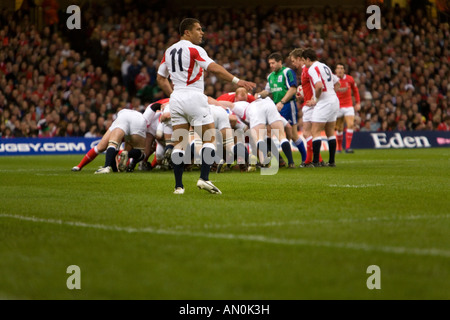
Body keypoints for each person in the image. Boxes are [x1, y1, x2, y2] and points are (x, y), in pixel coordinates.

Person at [156, 18, 255, 194]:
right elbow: (214, 68)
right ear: (187, 32)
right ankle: (204, 179)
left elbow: (160, 78)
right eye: (198, 29)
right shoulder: (195, 49)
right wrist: (237, 80)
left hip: (176, 98)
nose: (202, 33)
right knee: (209, 139)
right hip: (194, 96)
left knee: (179, 144)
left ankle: (178, 186)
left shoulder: (169, 51)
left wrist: (174, 95)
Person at [255, 52, 307, 167]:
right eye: (270, 63)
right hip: (275, 107)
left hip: (288, 105)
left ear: (280, 62)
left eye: (273, 63)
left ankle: (305, 159)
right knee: (268, 131)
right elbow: (267, 91)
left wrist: (282, 102)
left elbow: (293, 89)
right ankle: (280, 160)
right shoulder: (270, 76)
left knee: (293, 134)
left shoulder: (287, 72)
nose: (271, 65)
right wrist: (258, 95)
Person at [301, 48, 339, 167]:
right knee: (330, 132)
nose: (304, 64)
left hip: (324, 102)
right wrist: (331, 94)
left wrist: (315, 100)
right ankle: (331, 161)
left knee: (315, 131)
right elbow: (337, 83)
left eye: (303, 61)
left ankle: (316, 161)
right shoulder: (324, 66)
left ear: (308, 59)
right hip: (334, 100)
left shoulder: (312, 68)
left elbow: (318, 86)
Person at [289, 48, 325, 167]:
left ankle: (311, 160)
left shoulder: (307, 69)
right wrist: (303, 95)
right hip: (309, 103)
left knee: (307, 133)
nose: (293, 64)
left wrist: (314, 99)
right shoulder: (305, 70)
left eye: (294, 61)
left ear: (300, 59)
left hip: (311, 105)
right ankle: (316, 160)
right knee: (309, 133)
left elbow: (317, 84)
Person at [334, 63, 361, 153]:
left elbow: (355, 90)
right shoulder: (333, 79)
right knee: (339, 128)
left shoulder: (350, 79)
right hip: (337, 106)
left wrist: (358, 103)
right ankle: (339, 148)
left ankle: (348, 147)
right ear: (335, 71)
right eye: (338, 68)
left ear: (344, 70)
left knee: (350, 124)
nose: (340, 70)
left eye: (342, 68)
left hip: (348, 105)